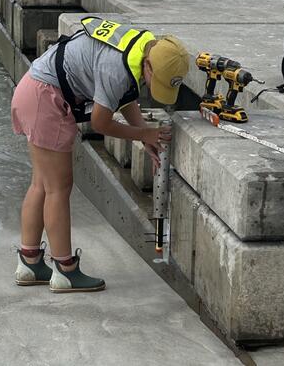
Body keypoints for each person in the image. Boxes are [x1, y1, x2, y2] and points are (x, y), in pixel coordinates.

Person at [10, 17, 189, 293]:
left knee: (41, 185)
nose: (154, 88)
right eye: (157, 81)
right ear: (149, 65)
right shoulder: (116, 67)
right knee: (58, 188)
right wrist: (144, 135)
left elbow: (124, 97)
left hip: (33, 90)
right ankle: (65, 269)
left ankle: (29, 262)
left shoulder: (137, 49)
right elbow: (100, 123)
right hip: (47, 99)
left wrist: (143, 133)